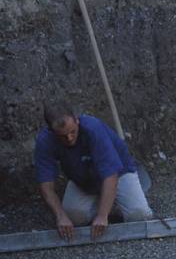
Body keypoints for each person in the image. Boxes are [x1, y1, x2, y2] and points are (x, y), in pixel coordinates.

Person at [34, 101, 153, 241]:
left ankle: (115, 202)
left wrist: (102, 216)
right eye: (63, 136)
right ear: (50, 131)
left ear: (77, 120)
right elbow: (45, 185)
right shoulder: (44, 141)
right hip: (84, 179)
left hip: (119, 173)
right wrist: (61, 216)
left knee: (139, 217)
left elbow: (111, 176)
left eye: (72, 132)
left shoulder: (93, 129)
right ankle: (104, 202)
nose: (70, 138)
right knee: (74, 219)